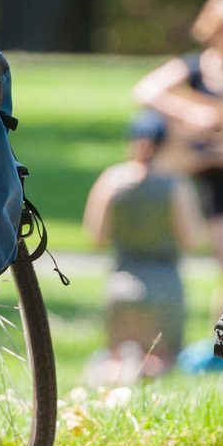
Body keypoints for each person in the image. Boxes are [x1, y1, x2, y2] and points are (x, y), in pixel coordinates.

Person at [133, 0, 223, 318]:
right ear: (214, 28)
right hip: (213, 182)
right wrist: (189, 112)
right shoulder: (193, 67)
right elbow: (146, 91)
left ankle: (221, 340)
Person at [82, 112, 202, 385]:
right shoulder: (175, 184)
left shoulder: (112, 180)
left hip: (121, 281)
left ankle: (115, 394)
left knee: (115, 360)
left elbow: (96, 235)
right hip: (165, 283)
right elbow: (191, 239)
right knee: (160, 361)